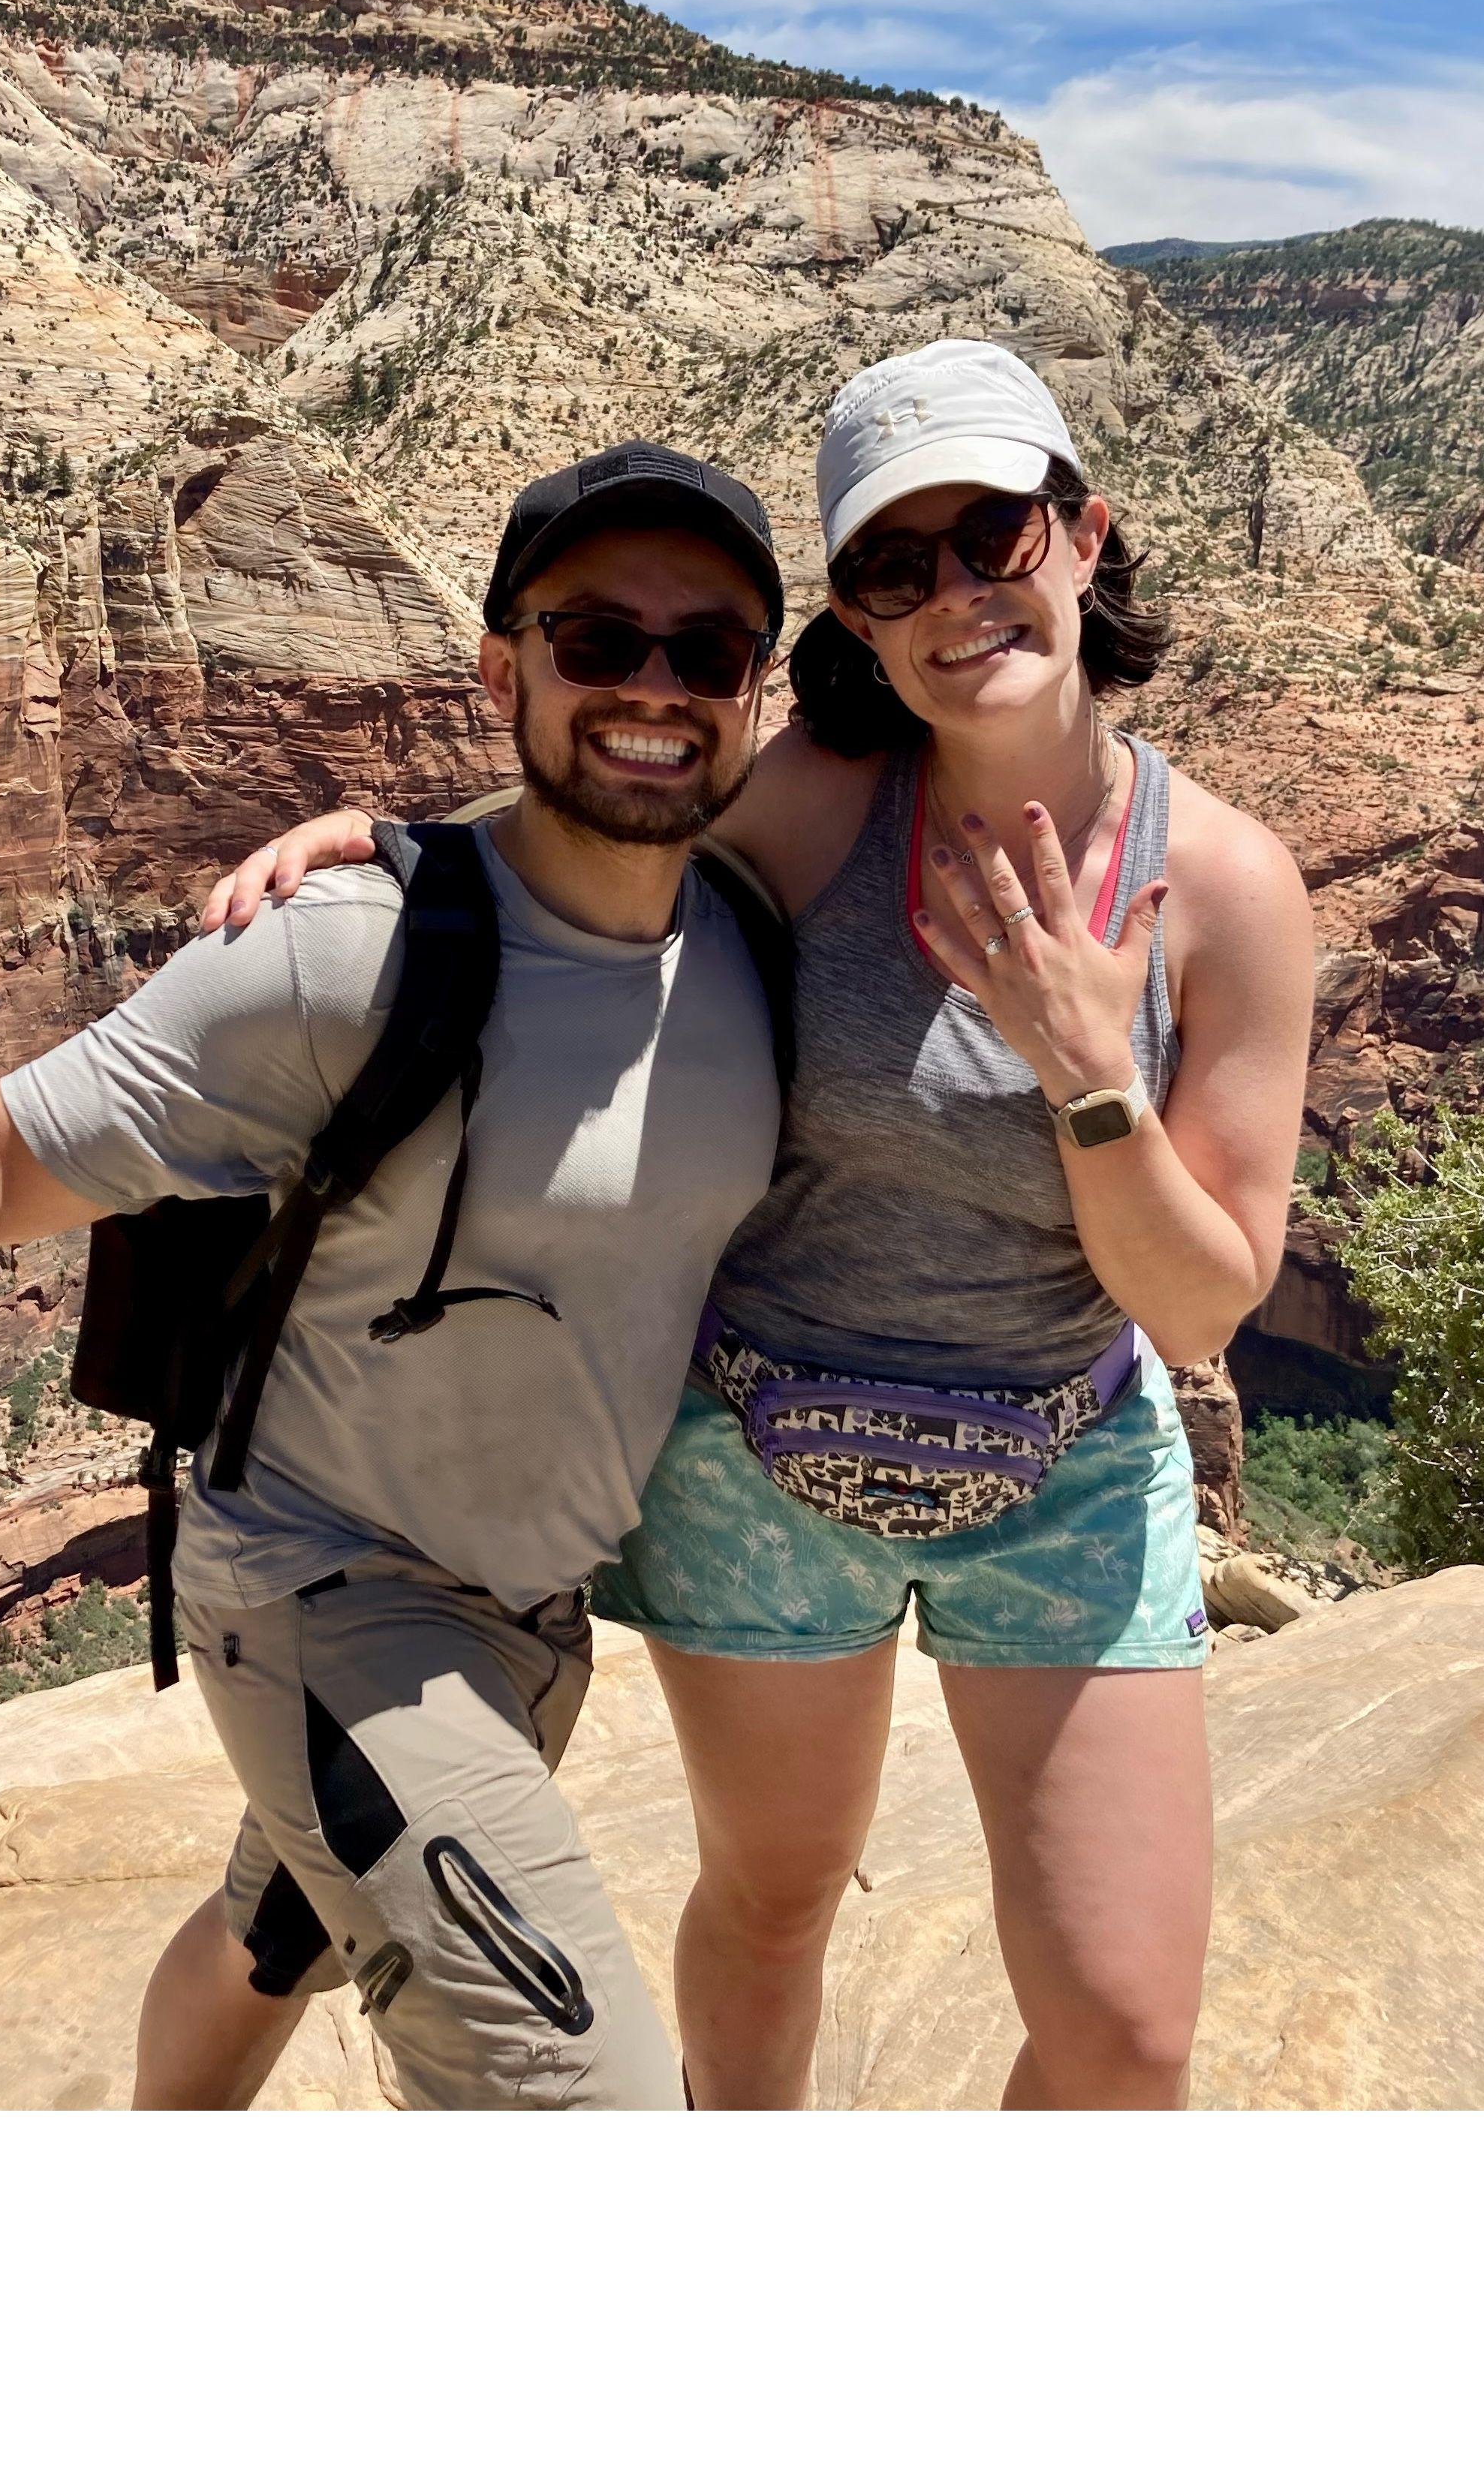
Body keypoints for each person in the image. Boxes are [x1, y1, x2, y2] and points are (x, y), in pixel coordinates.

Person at [0, 443, 793, 2111]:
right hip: (333, 1601)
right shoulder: (341, 957)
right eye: (596, 640)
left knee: (280, 1934)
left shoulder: (756, 935)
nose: (655, 690)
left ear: (762, 690)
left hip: (529, 1619)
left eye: (711, 653)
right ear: (502, 668)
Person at [196, 338, 1316, 2107]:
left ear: (1086, 538)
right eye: (894, 565)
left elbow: (1195, 1313)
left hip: (1068, 1463)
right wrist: (386, 848)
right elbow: (583, 833)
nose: (955, 596)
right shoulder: (811, 810)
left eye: (996, 536)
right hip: (761, 1455)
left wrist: (1092, 1073)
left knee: (1125, 2030)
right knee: (781, 1897)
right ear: (855, 617)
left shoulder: (1230, 892)